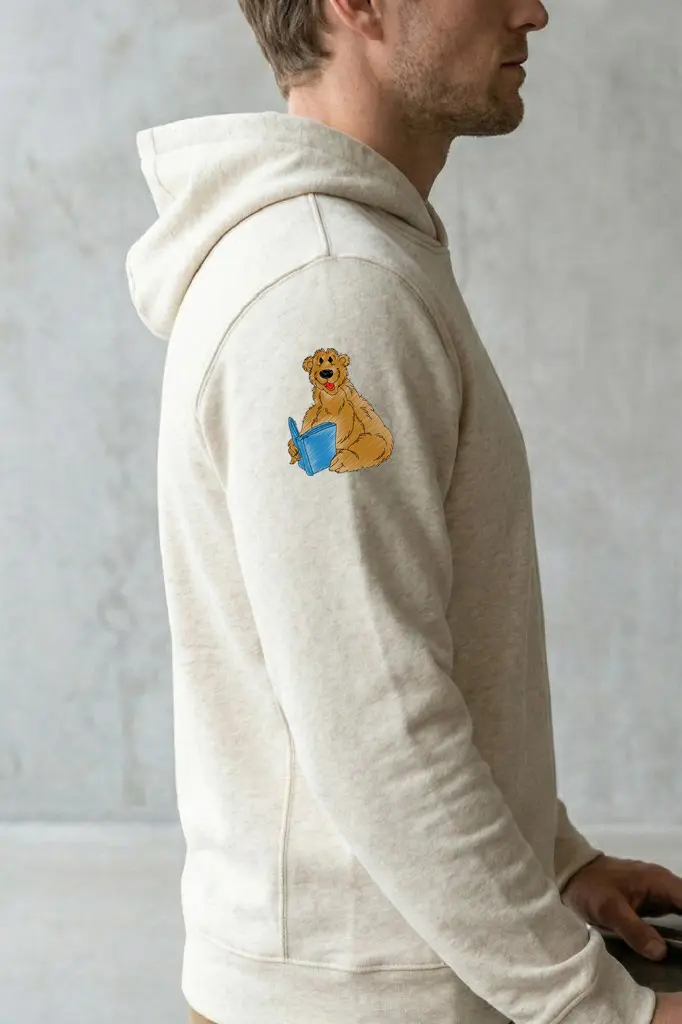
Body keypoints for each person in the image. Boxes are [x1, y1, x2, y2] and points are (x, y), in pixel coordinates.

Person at [125, 1, 682, 1023]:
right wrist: (601, 1008)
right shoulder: (329, 290)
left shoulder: (354, 259)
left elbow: (396, 660)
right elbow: (376, 725)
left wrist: (555, 861)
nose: (533, 11)